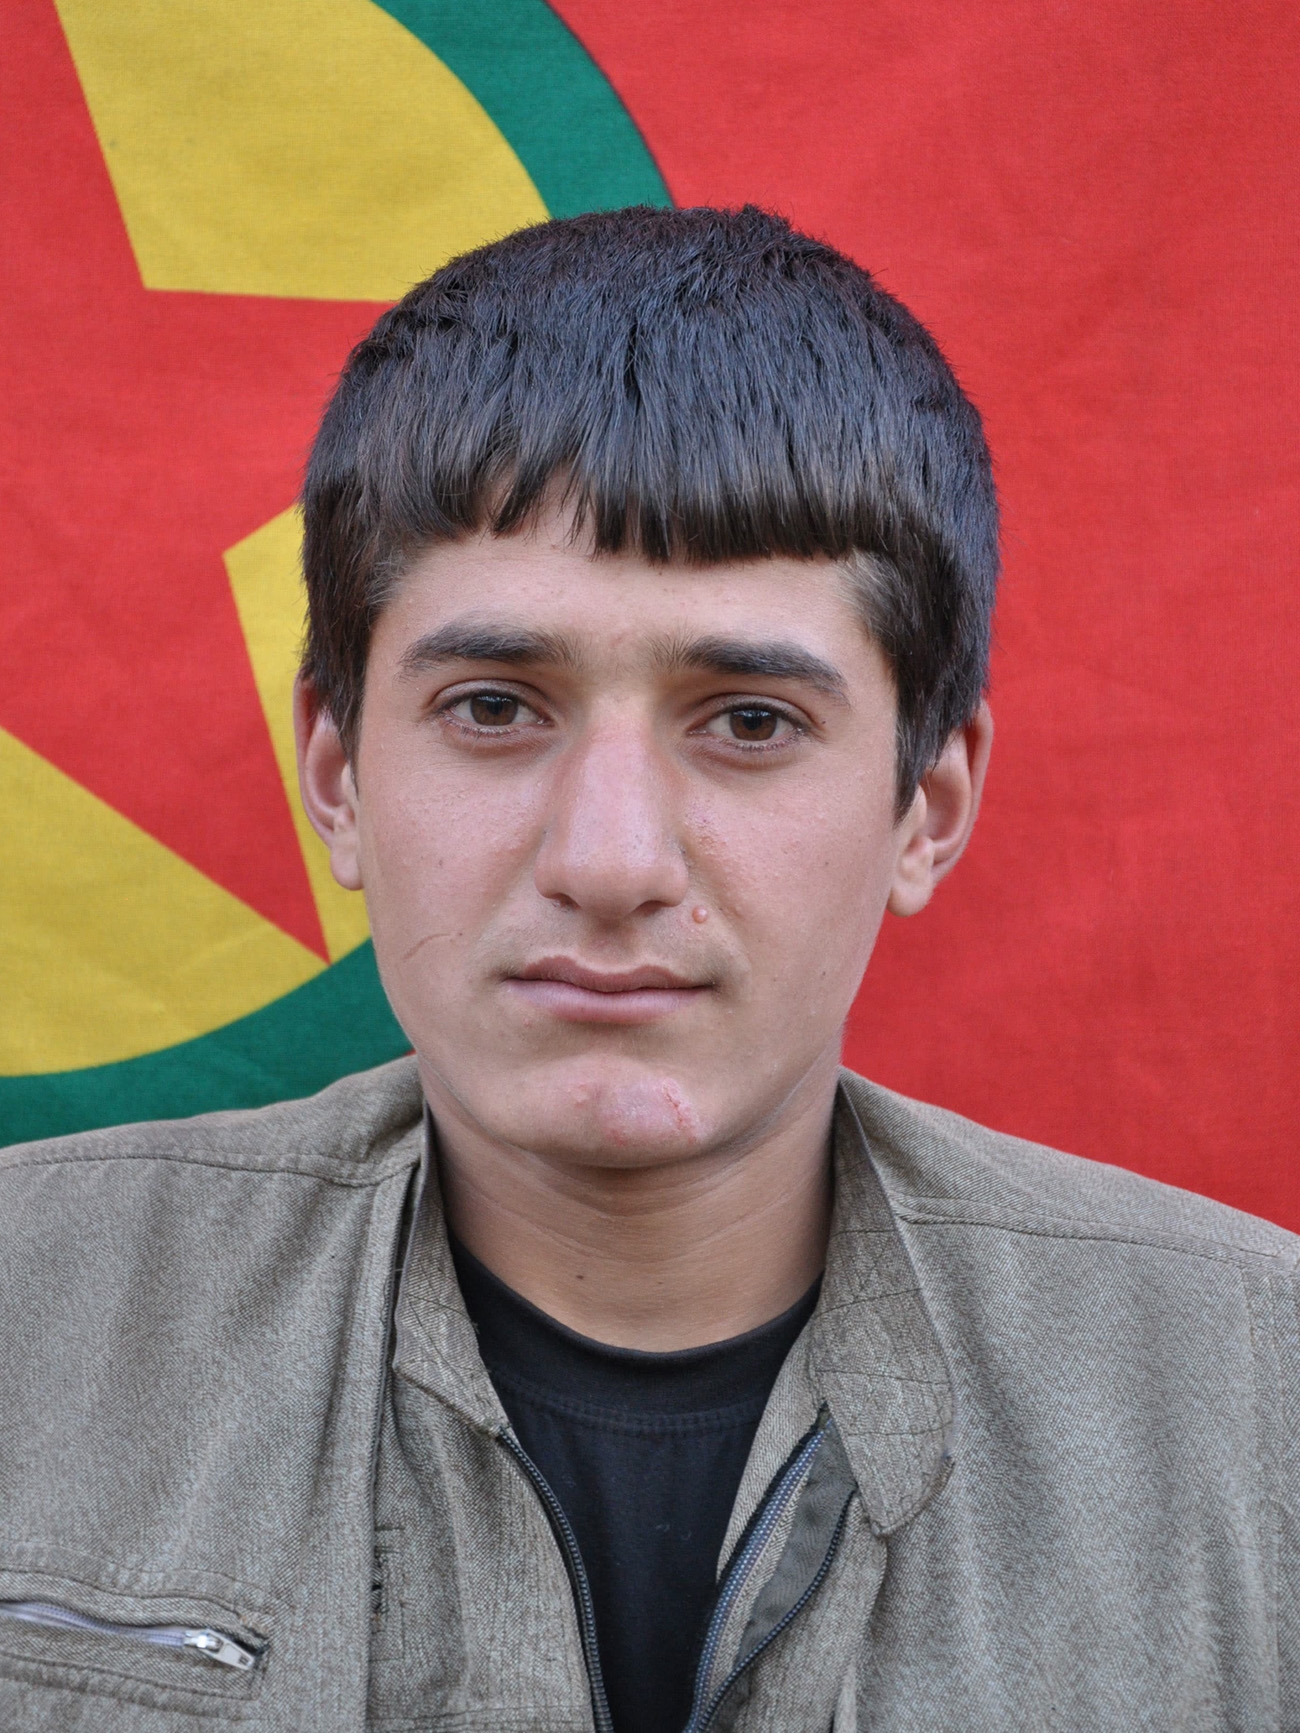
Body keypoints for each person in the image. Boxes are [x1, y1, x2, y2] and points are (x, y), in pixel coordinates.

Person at [0, 206, 1295, 1733]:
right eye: (495, 706)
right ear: (338, 775)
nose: (610, 860)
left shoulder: (1259, 1408)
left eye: (749, 721)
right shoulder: (28, 1321)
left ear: (927, 807)